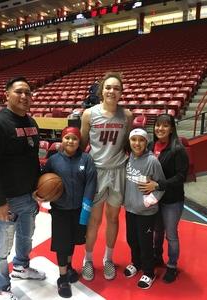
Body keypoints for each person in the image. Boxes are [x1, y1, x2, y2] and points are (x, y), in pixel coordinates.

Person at [0, 76, 45, 300]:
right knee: (2, 247)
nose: (24, 96)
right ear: (7, 94)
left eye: (28, 92)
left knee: (26, 237)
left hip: (28, 196)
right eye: (19, 92)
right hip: (6, 199)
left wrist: (38, 188)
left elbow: (33, 159)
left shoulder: (31, 123)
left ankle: (21, 267)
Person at [80, 71, 133, 281]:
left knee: (113, 219)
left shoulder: (127, 116)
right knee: (94, 220)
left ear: (121, 92)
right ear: (102, 90)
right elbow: (82, 143)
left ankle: (108, 259)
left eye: (116, 88)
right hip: (96, 172)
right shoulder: (89, 114)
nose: (112, 91)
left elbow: (129, 146)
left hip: (118, 171)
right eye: (108, 87)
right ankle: (88, 260)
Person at [34, 127, 97, 298]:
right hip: (60, 211)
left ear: (79, 142)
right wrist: (41, 194)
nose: (70, 141)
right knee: (62, 245)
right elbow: (42, 182)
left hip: (79, 210)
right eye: (67, 138)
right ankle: (62, 278)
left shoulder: (86, 159)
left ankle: (69, 267)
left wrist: (85, 213)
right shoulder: (53, 161)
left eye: (74, 138)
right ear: (62, 140)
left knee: (72, 242)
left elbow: (91, 187)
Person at [138, 113, 189, 283]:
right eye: (158, 125)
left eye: (165, 125)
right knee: (157, 231)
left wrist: (158, 185)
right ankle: (157, 257)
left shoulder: (177, 149)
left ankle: (172, 266)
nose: (160, 128)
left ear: (171, 128)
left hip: (172, 200)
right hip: (155, 199)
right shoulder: (151, 145)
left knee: (171, 235)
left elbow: (181, 176)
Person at [124, 128, 165, 289]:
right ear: (129, 142)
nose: (137, 143)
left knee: (145, 243)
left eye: (141, 140)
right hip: (130, 209)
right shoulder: (129, 159)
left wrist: (148, 202)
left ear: (146, 142)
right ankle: (136, 263)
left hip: (146, 212)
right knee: (131, 239)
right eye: (134, 140)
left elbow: (161, 186)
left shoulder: (152, 161)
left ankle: (149, 272)